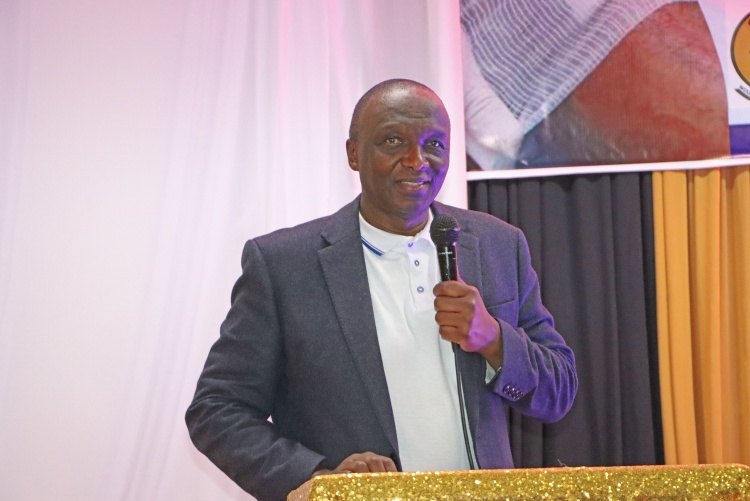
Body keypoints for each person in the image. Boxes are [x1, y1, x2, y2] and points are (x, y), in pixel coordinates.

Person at [186, 79, 578, 501]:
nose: (416, 161)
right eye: (393, 141)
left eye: (434, 144)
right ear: (354, 154)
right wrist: (321, 479)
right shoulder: (284, 265)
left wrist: (494, 340)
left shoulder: (498, 245)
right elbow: (216, 409)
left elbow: (557, 392)